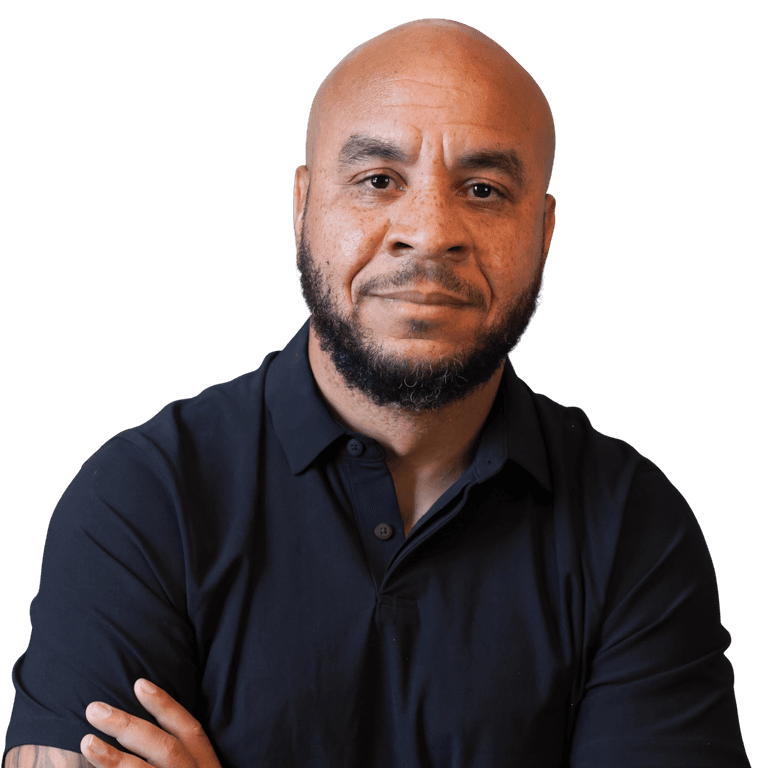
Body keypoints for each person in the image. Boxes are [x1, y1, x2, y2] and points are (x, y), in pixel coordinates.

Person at [3, 17, 752, 768]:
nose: (428, 232)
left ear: (545, 230)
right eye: (378, 180)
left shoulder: (632, 527)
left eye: (484, 190)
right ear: (302, 207)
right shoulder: (141, 499)